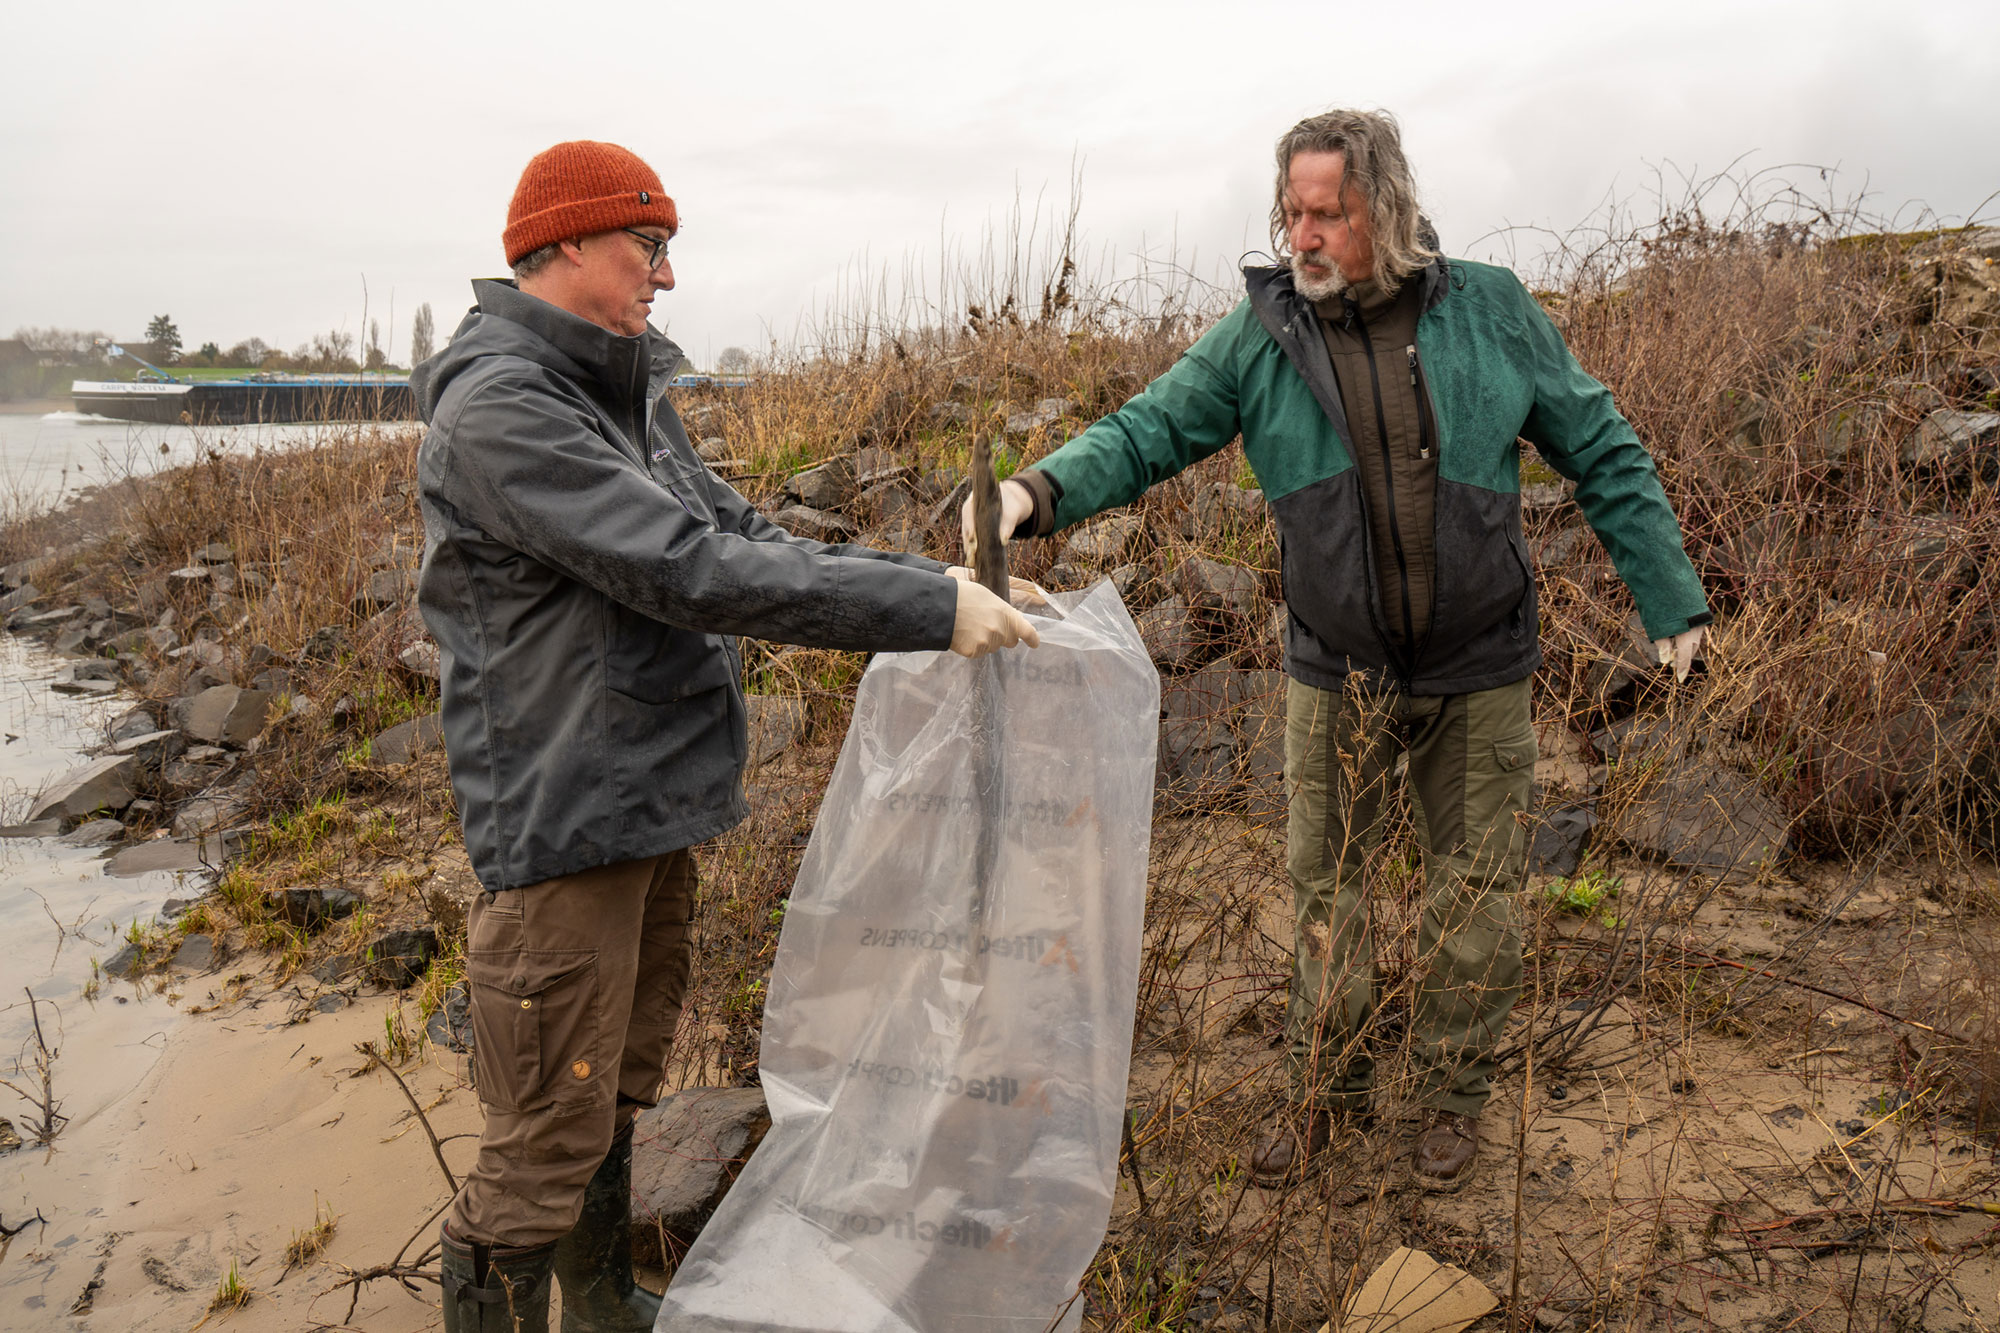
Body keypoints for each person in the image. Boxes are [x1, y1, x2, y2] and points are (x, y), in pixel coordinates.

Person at [966, 109, 1708, 1192]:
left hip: (1476, 666)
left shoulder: (1489, 312)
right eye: (1291, 212)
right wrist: (1035, 491)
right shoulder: (1258, 335)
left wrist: (1668, 596)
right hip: (1337, 669)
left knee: (1477, 891)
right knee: (1328, 890)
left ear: (1385, 213)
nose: (1301, 234)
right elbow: (1147, 428)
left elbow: (1599, 444)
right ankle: (1328, 1090)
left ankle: (1451, 1096)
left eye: (1328, 213)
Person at [415, 139, 1038, 1332]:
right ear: (559, 246)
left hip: (645, 806)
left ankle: (601, 1309)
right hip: (564, 831)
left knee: (614, 1090)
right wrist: (925, 614)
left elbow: (741, 526)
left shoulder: (619, 389)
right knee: (545, 1135)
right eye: (645, 248)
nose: (663, 276)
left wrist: (944, 580)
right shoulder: (504, 410)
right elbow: (687, 569)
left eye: (668, 251)